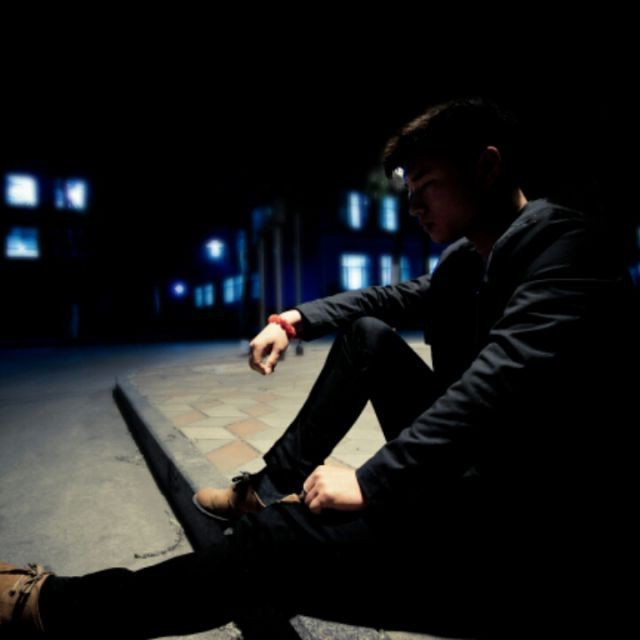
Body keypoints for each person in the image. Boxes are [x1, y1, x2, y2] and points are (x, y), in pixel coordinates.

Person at [1, 97, 635, 638]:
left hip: (531, 529)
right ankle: (264, 486)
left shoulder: (568, 250)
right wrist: (292, 321)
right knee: (366, 337)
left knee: (274, 544)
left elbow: (499, 380)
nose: (414, 207)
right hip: (470, 473)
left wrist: (373, 482)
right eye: (408, 194)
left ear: (487, 167)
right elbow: (386, 300)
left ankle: (54, 610)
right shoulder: (469, 262)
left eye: (427, 186)